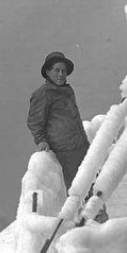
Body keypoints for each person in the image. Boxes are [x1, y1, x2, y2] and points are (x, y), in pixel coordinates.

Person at [27, 51, 90, 191]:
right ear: (48, 71)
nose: (61, 74)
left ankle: (97, 212)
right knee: (77, 188)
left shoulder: (68, 91)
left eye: (63, 71)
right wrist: (41, 140)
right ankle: (87, 213)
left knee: (91, 181)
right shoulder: (42, 94)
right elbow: (34, 121)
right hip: (64, 150)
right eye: (56, 70)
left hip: (80, 145)